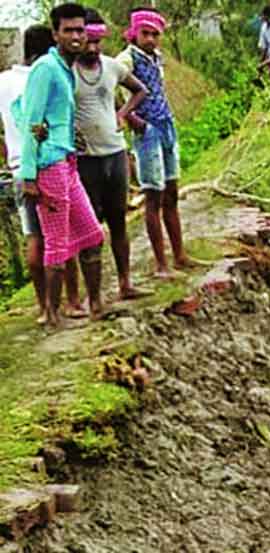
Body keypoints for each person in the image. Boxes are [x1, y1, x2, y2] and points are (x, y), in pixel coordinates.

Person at [16, 3, 106, 327]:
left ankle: (96, 305)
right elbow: (31, 121)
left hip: (66, 162)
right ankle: (52, 315)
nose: (76, 36)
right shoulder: (45, 68)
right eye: (68, 30)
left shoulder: (65, 68)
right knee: (57, 244)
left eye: (80, 29)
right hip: (48, 167)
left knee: (93, 235)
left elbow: (55, 119)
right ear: (55, 34)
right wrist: (28, 176)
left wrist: (69, 136)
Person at [0, 24, 86, 325]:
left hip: (17, 166)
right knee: (63, 235)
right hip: (46, 164)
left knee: (35, 238)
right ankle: (72, 301)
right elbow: (39, 127)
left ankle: (43, 306)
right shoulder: (48, 73)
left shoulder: (4, 82)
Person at [75, 9, 150, 301]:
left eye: (98, 42)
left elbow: (139, 90)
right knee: (90, 230)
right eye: (88, 41)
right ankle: (94, 300)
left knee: (118, 221)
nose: (93, 48)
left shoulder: (111, 67)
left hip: (115, 154)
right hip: (84, 161)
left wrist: (122, 114)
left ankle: (125, 283)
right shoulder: (66, 73)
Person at [117, 7, 195, 280]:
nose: (150, 39)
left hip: (166, 125)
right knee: (153, 196)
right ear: (134, 33)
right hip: (147, 131)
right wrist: (132, 119)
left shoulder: (155, 58)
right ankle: (161, 264)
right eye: (145, 33)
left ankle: (180, 254)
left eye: (155, 34)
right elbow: (113, 89)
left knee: (172, 190)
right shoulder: (126, 59)